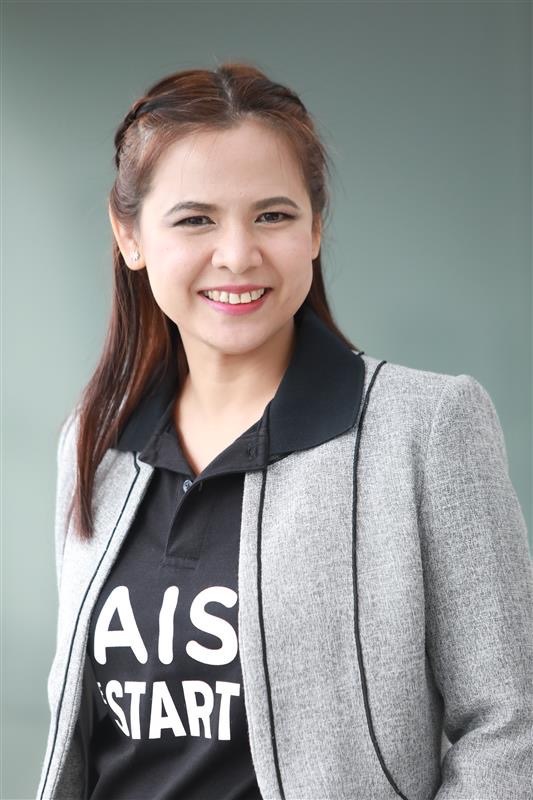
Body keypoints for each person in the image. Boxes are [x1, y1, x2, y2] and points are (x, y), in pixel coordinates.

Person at [37, 62, 532, 800]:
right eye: (195, 219)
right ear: (129, 235)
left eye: (272, 216)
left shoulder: (424, 428)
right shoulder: (95, 444)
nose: (238, 255)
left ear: (315, 227)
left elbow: (511, 724)